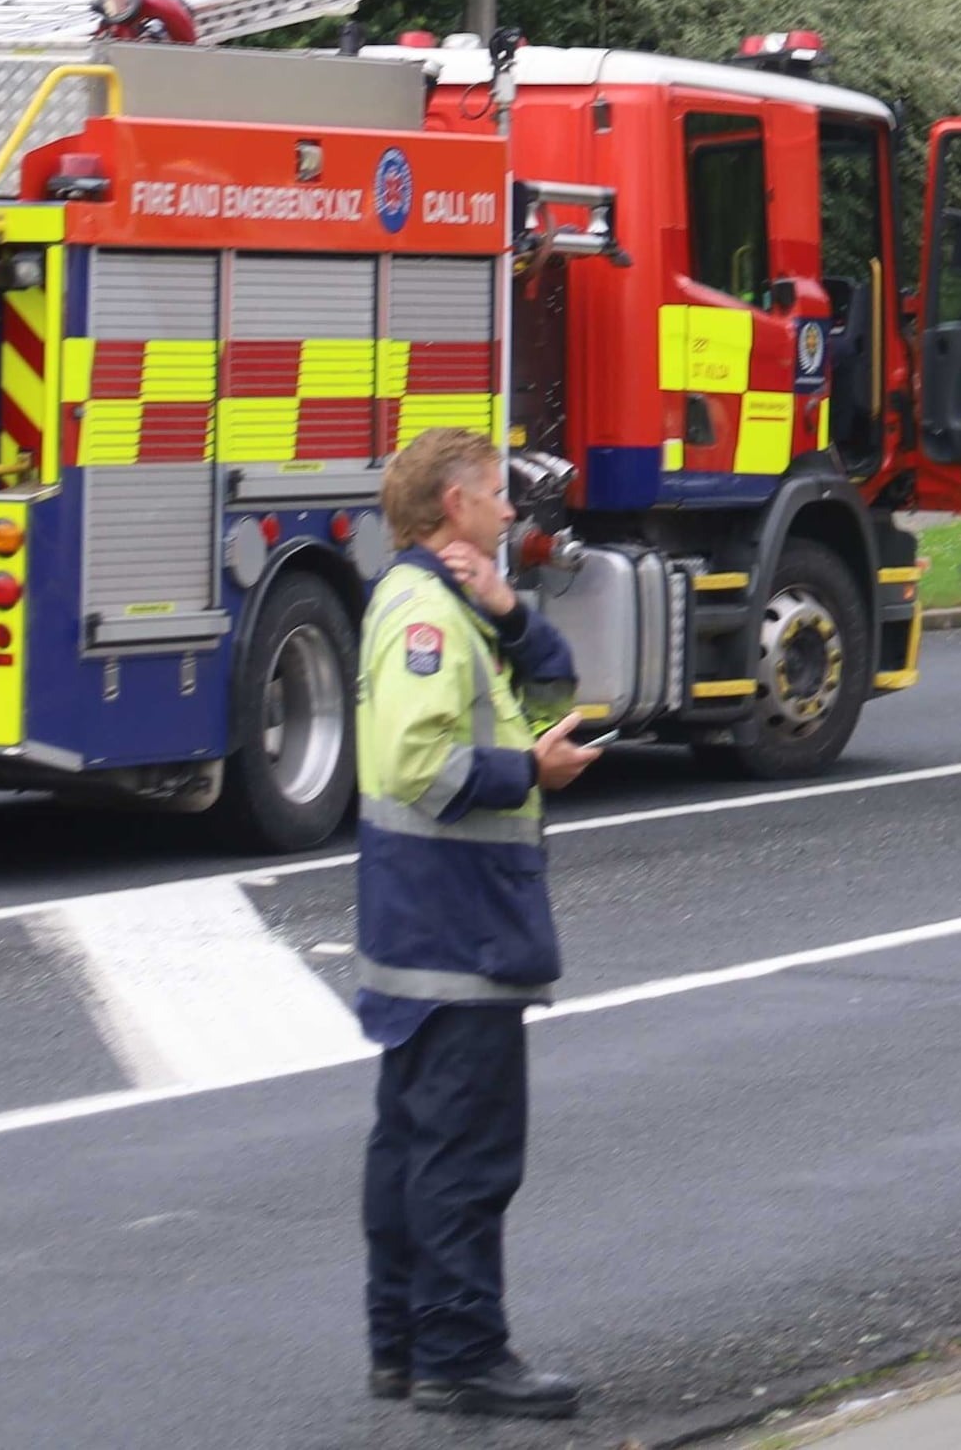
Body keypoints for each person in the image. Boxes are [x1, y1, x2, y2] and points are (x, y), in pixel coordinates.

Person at [355, 426, 607, 1420]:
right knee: (464, 1155)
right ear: (455, 504)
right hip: (456, 928)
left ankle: (404, 1344)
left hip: (424, 927)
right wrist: (528, 773)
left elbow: (553, 687)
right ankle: (459, 1354)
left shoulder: (451, 602)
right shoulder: (423, 613)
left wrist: (509, 609)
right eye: (498, 493)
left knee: (411, 1148)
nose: (512, 510)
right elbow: (421, 761)